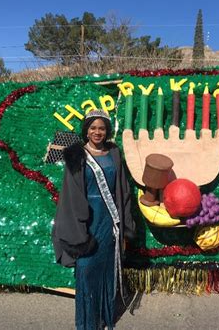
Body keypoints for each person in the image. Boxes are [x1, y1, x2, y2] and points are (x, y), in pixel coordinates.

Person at [52, 109, 136, 330]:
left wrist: (125, 221)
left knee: (107, 271)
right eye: (93, 128)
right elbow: (70, 193)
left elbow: (123, 188)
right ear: (86, 130)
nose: (97, 132)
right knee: (88, 271)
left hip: (109, 221)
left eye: (102, 128)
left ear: (106, 131)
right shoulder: (76, 154)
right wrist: (78, 229)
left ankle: (104, 318)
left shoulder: (114, 153)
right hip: (87, 220)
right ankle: (88, 324)